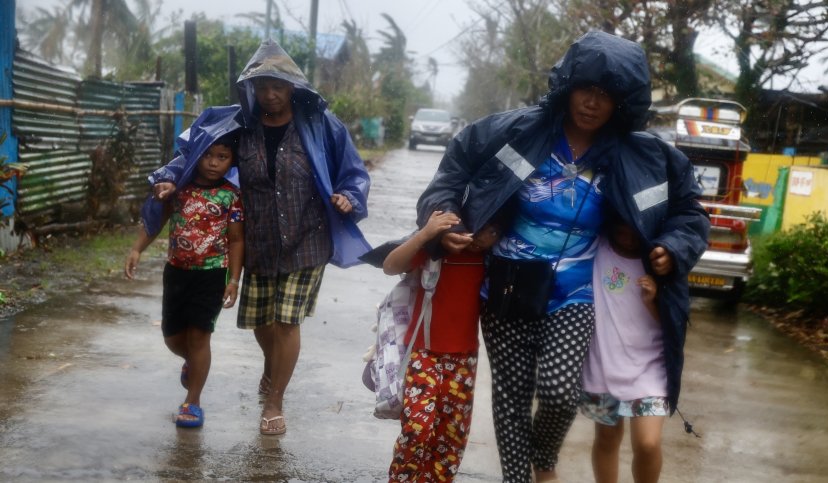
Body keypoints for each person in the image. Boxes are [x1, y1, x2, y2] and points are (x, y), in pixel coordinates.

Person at [415, 31, 710, 482]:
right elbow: (454, 168)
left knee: (558, 393)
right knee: (511, 399)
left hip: (575, 294)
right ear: (568, 85)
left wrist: (673, 247)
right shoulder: (516, 131)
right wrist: (449, 217)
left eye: (606, 95)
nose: (592, 102)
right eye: (585, 88)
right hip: (508, 288)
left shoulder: (643, 155)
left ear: (621, 103)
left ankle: (545, 461)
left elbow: (689, 210)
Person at [149, 39, 371, 435]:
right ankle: (274, 368)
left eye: (278, 86)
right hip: (258, 242)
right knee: (259, 323)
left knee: (286, 322)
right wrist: (167, 179)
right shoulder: (238, 126)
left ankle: (274, 401)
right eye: (262, 86)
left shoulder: (320, 126)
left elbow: (353, 172)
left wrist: (348, 197)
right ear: (250, 89)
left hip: (308, 238)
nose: (270, 94)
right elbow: (192, 152)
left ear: (293, 89)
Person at [125, 130, 244, 429]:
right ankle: (191, 361)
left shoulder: (232, 195)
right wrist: (137, 249)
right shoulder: (178, 189)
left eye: (222, 156)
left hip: (212, 275)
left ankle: (193, 401)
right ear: (196, 154)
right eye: (208, 154)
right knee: (173, 336)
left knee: (200, 336)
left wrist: (234, 280)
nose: (214, 163)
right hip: (176, 271)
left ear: (232, 161)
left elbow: (237, 241)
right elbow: (157, 220)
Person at [381, 210, 500, 482]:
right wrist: (426, 234)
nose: (482, 238)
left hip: (464, 361)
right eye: (481, 230)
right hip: (424, 354)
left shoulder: (488, 260)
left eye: (493, 232)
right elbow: (390, 266)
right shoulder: (437, 250)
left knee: (450, 440)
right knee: (418, 428)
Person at [580, 209, 667, 483]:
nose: (628, 236)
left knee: (648, 443)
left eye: (635, 229)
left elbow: (674, 326)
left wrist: (653, 301)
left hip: (649, 367)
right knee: (606, 437)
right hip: (602, 364)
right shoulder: (598, 249)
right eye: (622, 228)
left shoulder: (661, 261)